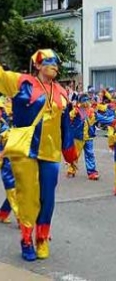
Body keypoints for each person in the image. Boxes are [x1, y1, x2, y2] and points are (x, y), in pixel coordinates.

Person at [0, 49, 78, 261]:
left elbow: (65, 126)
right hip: (26, 149)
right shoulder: (21, 82)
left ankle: (42, 238)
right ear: (38, 65)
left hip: (51, 153)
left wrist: (70, 154)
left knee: (48, 198)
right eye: (49, 61)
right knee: (28, 196)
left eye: (56, 62)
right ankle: (26, 240)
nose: (54, 65)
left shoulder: (61, 92)